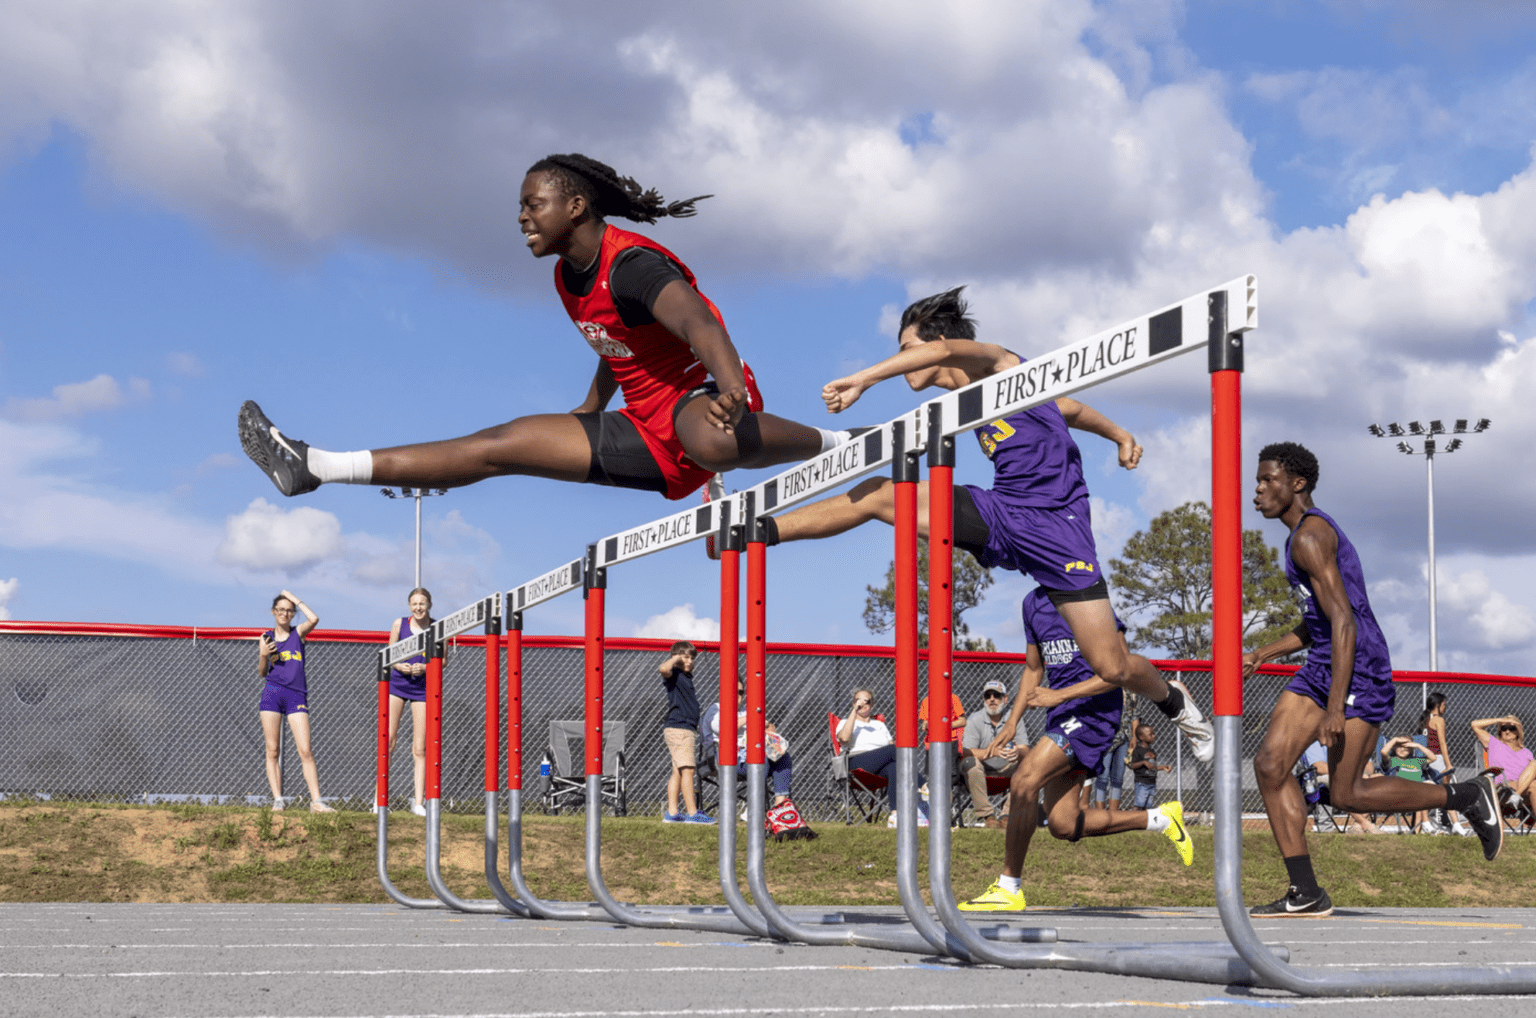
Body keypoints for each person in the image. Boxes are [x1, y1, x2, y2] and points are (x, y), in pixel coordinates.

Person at [758, 287, 1214, 762]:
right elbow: (1070, 409)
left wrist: (862, 379)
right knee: (881, 495)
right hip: (1004, 512)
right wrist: (1118, 433)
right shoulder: (964, 404)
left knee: (1112, 665)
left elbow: (950, 352)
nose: (902, 362)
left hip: (1059, 527)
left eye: (906, 350)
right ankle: (761, 532)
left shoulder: (1002, 366)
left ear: (935, 341)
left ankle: (1172, 698)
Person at [239, 154, 858, 504]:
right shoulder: (568, 277)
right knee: (500, 445)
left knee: (711, 441)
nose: (521, 216)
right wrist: (592, 406)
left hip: (703, 403)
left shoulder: (632, 265)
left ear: (576, 207)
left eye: (533, 204)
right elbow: (618, 342)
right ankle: (319, 464)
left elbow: (699, 324)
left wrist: (732, 393)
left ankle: (839, 445)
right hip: (643, 428)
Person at [1242, 442, 1503, 917]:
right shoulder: (1300, 536)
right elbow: (1321, 622)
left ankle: (1466, 794)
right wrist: (1265, 651)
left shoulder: (1310, 536)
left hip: (1357, 665)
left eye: (1267, 480)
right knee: (1269, 765)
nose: (1257, 490)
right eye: (1257, 481)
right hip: (1325, 660)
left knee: (1347, 794)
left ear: (1297, 483)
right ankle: (1305, 892)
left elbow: (1344, 623)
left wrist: (1336, 708)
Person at [958, 588, 1192, 912]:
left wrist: (1061, 695)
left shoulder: (1089, 597)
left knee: (1024, 780)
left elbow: (1120, 671)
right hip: (1061, 715)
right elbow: (1033, 670)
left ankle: (1009, 887)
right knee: (1063, 824)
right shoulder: (1032, 603)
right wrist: (1013, 721)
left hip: (1094, 714)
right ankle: (1160, 818)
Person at [256, 590, 333, 813]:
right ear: (273, 612)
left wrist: (295, 598)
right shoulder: (266, 638)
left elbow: (314, 619)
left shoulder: (297, 633)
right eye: (281, 610)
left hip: (296, 695)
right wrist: (262, 655)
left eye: (289, 611)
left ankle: (316, 801)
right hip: (272, 694)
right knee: (272, 750)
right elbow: (262, 673)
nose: (285, 614)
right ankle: (278, 799)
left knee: (305, 750)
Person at [704, 677, 796, 807]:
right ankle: (755, 808)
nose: (738, 695)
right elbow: (725, 728)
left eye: (741, 692)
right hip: (725, 759)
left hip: (749, 757)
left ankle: (779, 808)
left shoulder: (745, 711)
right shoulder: (716, 709)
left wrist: (769, 729)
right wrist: (753, 716)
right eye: (733, 691)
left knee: (783, 758)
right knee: (759, 758)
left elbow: (763, 730)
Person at [385, 587, 436, 817]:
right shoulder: (399, 624)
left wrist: (425, 667)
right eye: (414, 604)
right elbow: (390, 653)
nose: (418, 608)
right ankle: (380, 799)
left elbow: (441, 660)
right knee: (389, 740)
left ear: (429, 605)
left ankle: (418, 802)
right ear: (409, 606)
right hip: (397, 685)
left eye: (422, 603)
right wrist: (399, 665)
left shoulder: (436, 628)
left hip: (422, 688)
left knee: (420, 747)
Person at [658, 641, 713, 824]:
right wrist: (675, 658)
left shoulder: (686, 677)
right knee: (688, 770)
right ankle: (692, 813)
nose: (690, 661)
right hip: (680, 728)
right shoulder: (674, 674)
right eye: (686, 657)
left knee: (678, 772)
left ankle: (672, 813)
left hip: (684, 728)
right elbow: (663, 669)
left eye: (692, 658)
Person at [960, 679, 1022, 828]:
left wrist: (1018, 751)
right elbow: (967, 752)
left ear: (1005, 699)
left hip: (1006, 772)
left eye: (997, 695)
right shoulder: (975, 720)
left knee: (1028, 764)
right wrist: (992, 752)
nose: (992, 699)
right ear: (984, 699)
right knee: (970, 763)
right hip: (979, 775)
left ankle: (1006, 815)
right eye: (988, 695)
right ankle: (988, 817)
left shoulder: (1014, 719)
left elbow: (1025, 748)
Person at [1298, 739, 1380, 834]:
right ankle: (1365, 823)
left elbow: (1369, 766)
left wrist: (1363, 774)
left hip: (1352, 777)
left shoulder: (1355, 739)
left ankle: (1357, 825)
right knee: (1338, 781)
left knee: (1380, 779)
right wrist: (1351, 773)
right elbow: (1320, 767)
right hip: (1321, 779)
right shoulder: (1316, 742)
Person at [1419, 693, 1470, 835]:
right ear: (1438, 705)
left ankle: (1427, 823)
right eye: (1444, 705)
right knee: (1448, 793)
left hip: (1425, 760)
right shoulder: (1438, 720)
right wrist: (1449, 765)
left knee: (1428, 791)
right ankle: (1456, 825)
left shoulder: (1424, 720)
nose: (1445, 707)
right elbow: (1442, 744)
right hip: (1436, 759)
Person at [1472, 714, 1536, 821]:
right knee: (1534, 774)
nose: (1507, 731)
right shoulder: (1493, 743)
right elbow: (1475, 725)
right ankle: (1517, 795)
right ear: (1500, 731)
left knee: (1534, 777)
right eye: (1503, 728)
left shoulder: (1527, 752)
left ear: (1518, 731)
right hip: (1503, 790)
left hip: (1523, 794)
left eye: (1511, 728)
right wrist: (1500, 720)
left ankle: (1517, 795)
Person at [1090, 691, 1138, 812]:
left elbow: (1135, 714)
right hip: (1105, 737)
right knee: (1102, 777)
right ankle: (1100, 814)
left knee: (1117, 778)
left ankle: (1113, 814)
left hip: (1124, 738)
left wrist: (1134, 736)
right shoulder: (1104, 689)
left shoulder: (1131, 691)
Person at [1380, 736, 1438, 833]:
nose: (1402, 749)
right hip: (1400, 793)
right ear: (1394, 747)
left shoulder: (1417, 761)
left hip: (1417, 793)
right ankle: (1425, 823)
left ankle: (1417, 830)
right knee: (1422, 793)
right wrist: (1395, 740)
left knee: (1424, 791)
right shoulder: (1392, 761)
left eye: (1406, 748)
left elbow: (1433, 758)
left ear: (1411, 750)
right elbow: (1383, 752)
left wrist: (1418, 745)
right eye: (1399, 746)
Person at [1126, 722, 1170, 810]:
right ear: (1141, 737)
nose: (1154, 736)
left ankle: (1143, 823)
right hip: (1142, 783)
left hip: (1152, 783)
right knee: (1138, 805)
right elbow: (1131, 765)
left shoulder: (1152, 751)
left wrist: (1163, 767)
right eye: (1151, 734)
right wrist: (1143, 762)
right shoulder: (1137, 751)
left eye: (1153, 734)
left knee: (1148, 807)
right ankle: (1129, 822)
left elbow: (1152, 767)